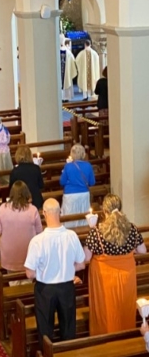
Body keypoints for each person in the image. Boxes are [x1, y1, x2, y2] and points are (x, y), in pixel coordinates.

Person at [24, 198, 86, 346]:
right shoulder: (71, 236)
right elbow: (81, 264)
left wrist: (45, 271)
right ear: (60, 212)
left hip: (45, 289)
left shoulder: (37, 241)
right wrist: (67, 269)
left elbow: (29, 274)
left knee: (45, 331)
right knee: (69, 329)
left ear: (44, 213)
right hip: (67, 287)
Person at [84, 194, 146, 335]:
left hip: (104, 279)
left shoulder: (97, 232)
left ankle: (104, 341)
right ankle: (126, 337)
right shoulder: (132, 229)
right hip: (126, 278)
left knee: (106, 312)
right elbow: (142, 250)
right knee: (125, 310)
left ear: (105, 211)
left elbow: (86, 257)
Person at [0, 181, 42, 271]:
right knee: (27, 281)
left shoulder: (2, 208)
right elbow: (39, 232)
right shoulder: (33, 210)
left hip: (9, 255)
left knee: (12, 281)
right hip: (28, 253)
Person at [60, 143, 95, 227]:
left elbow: (62, 182)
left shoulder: (68, 166)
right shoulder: (88, 165)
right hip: (84, 194)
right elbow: (92, 182)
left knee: (69, 217)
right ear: (83, 154)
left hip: (70, 195)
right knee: (83, 217)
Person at [60, 35, 77, 103]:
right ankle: (66, 97)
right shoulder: (68, 52)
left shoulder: (56, 51)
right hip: (67, 73)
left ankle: (60, 97)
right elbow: (73, 61)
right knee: (67, 81)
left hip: (60, 73)